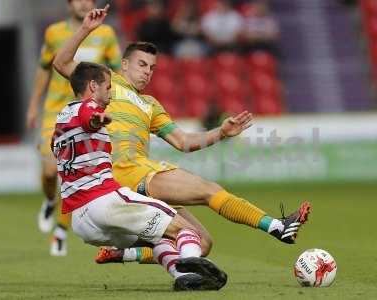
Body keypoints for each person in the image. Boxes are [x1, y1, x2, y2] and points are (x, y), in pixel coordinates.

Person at [53, 4, 311, 265]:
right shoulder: (109, 83)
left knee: (202, 243)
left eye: (152, 67)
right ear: (124, 64)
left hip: (135, 179)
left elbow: (183, 141)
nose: (147, 71)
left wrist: (221, 132)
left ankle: (126, 253)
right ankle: (277, 226)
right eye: (142, 64)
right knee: (209, 190)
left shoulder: (151, 105)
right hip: (126, 171)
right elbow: (61, 62)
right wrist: (85, 29)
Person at [51, 8, 227, 291]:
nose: (111, 94)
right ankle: (192, 262)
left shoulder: (62, 118)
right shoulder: (90, 108)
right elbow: (90, 113)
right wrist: (100, 118)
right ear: (93, 86)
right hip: (103, 203)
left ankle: (183, 278)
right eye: (108, 88)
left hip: (80, 220)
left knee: (158, 238)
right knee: (186, 229)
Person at [25, 0, 121, 256]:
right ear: (69, 4)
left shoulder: (107, 34)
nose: (84, 3)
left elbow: (115, 74)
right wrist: (33, 106)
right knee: (48, 172)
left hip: (88, 116)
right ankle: (49, 200)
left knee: (83, 175)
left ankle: (61, 229)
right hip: (56, 113)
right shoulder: (54, 33)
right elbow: (44, 70)